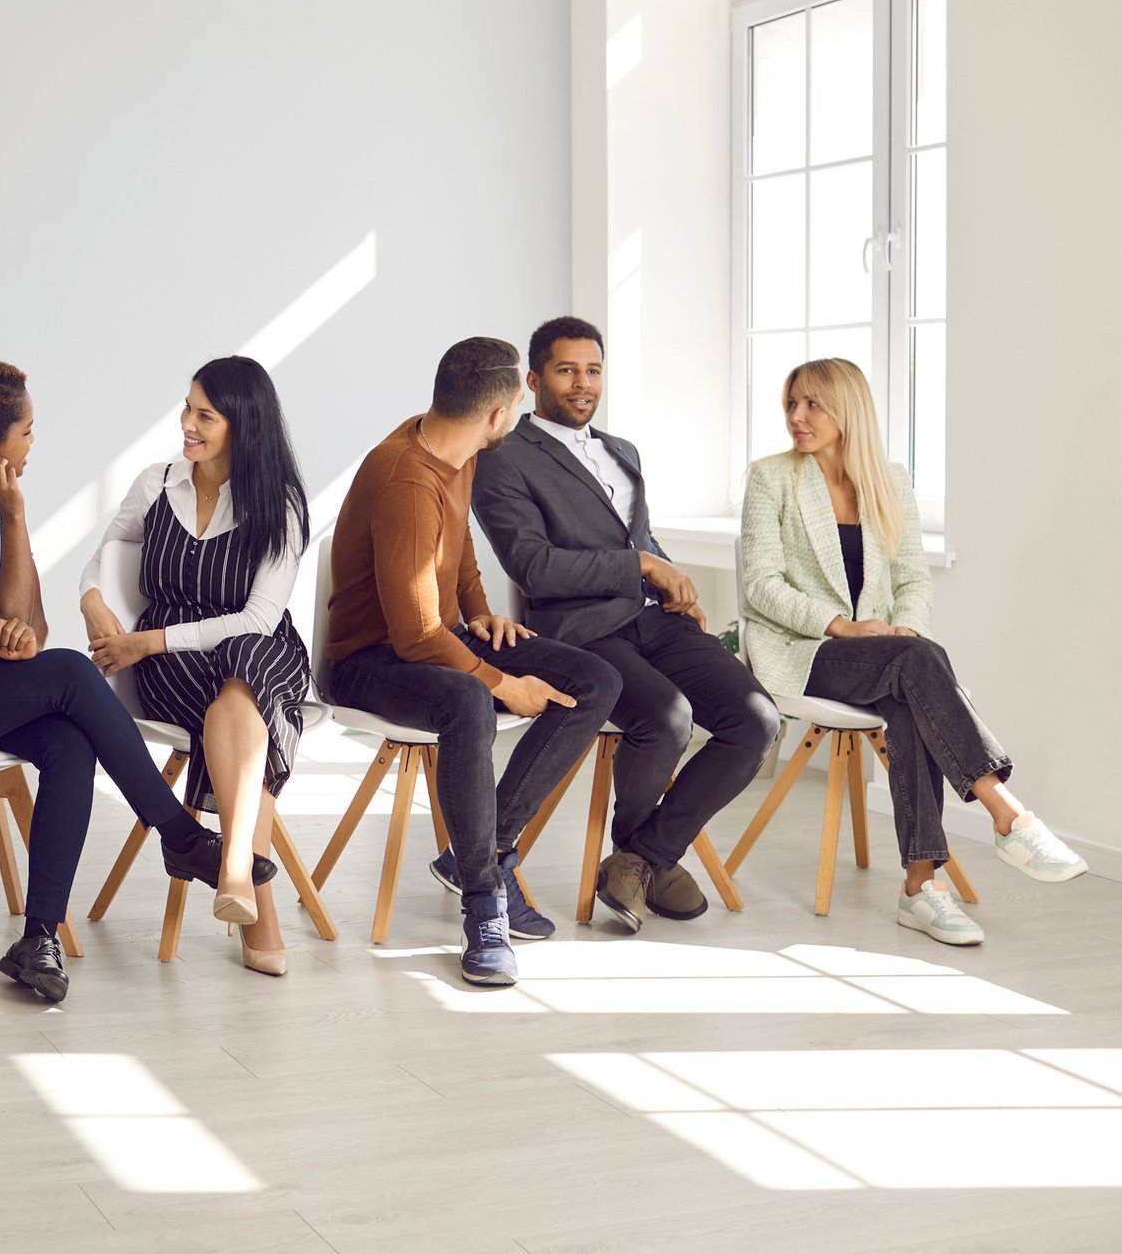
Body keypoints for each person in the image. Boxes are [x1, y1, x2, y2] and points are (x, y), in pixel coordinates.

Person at [0, 359, 267, 1003]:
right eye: (27, 430)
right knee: (75, 674)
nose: (33, 441)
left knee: (68, 741)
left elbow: (32, 633)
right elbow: (13, 628)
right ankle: (179, 834)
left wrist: (9, 525)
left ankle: (38, 937)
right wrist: (18, 522)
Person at [740, 357, 1086, 945]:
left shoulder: (889, 480)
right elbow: (760, 585)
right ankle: (1006, 813)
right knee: (917, 663)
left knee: (910, 691)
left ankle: (921, 888)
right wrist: (843, 627)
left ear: (847, 409)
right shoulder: (772, 476)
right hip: (802, 649)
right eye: (791, 403)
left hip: (880, 657)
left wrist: (901, 631)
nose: (797, 416)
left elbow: (912, 583)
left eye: (812, 404)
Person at [321, 337, 621, 987]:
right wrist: (500, 682)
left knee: (594, 679)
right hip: (366, 660)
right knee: (467, 700)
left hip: (432, 635)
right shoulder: (405, 477)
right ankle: (482, 899)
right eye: (516, 401)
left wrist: (481, 613)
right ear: (495, 414)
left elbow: (455, 551)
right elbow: (414, 636)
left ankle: (474, 853)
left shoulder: (454, 450)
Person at [473, 317, 779, 932]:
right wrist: (638, 564)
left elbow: (637, 536)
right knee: (667, 717)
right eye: (566, 370)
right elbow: (534, 567)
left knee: (757, 719)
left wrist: (667, 574)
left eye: (592, 370)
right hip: (581, 632)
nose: (582, 384)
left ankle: (642, 857)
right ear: (533, 379)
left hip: (654, 621)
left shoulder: (622, 451)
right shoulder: (501, 458)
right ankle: (646, 860)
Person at [78, 356, 312, 976]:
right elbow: (103, 556)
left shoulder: (280, 506)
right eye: (187, 408)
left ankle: (234, 863)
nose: (187, 424)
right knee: (242, 701)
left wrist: (147, 641)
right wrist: (91, 600)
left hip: (254, 652)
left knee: (245, 667)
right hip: (175, 671)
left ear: (245, 424)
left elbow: (258, 620)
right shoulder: (156, 483)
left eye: (205, 414)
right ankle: (248, 885)